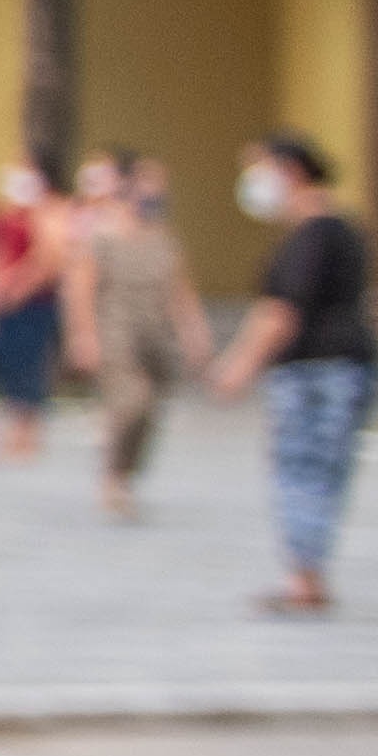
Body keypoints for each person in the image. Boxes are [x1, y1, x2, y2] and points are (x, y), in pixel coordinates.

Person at [213, 133, 378, 614]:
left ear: (291, 170)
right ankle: (309, 574)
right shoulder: (342, 228)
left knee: (301, 470)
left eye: (259, 168)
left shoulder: (312, 236)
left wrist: (240, 365)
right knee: (324, 473)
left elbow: (282, 311)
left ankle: (304, 579)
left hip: (314, 373)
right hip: (346, 367)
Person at [69, 152, 213, 519]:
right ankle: (113, 473)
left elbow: (180, 289)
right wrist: (84, 336)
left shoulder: (164, 238)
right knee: (133, 400)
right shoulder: (102, 235)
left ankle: (124, 473)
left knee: (150, 409)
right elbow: (81, 288)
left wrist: (194, 332)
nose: (155, 194)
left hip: (156, 334)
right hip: (116, 330)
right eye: (148, 185)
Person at [0, 163, 74, 460]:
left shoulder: (48, 213)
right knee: (6, 364)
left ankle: (27, 434)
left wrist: (18, 289)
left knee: (29, 365)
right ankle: (12, 429)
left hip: (33, 303)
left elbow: (48, 259)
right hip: (6, 301)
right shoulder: (9, 215)